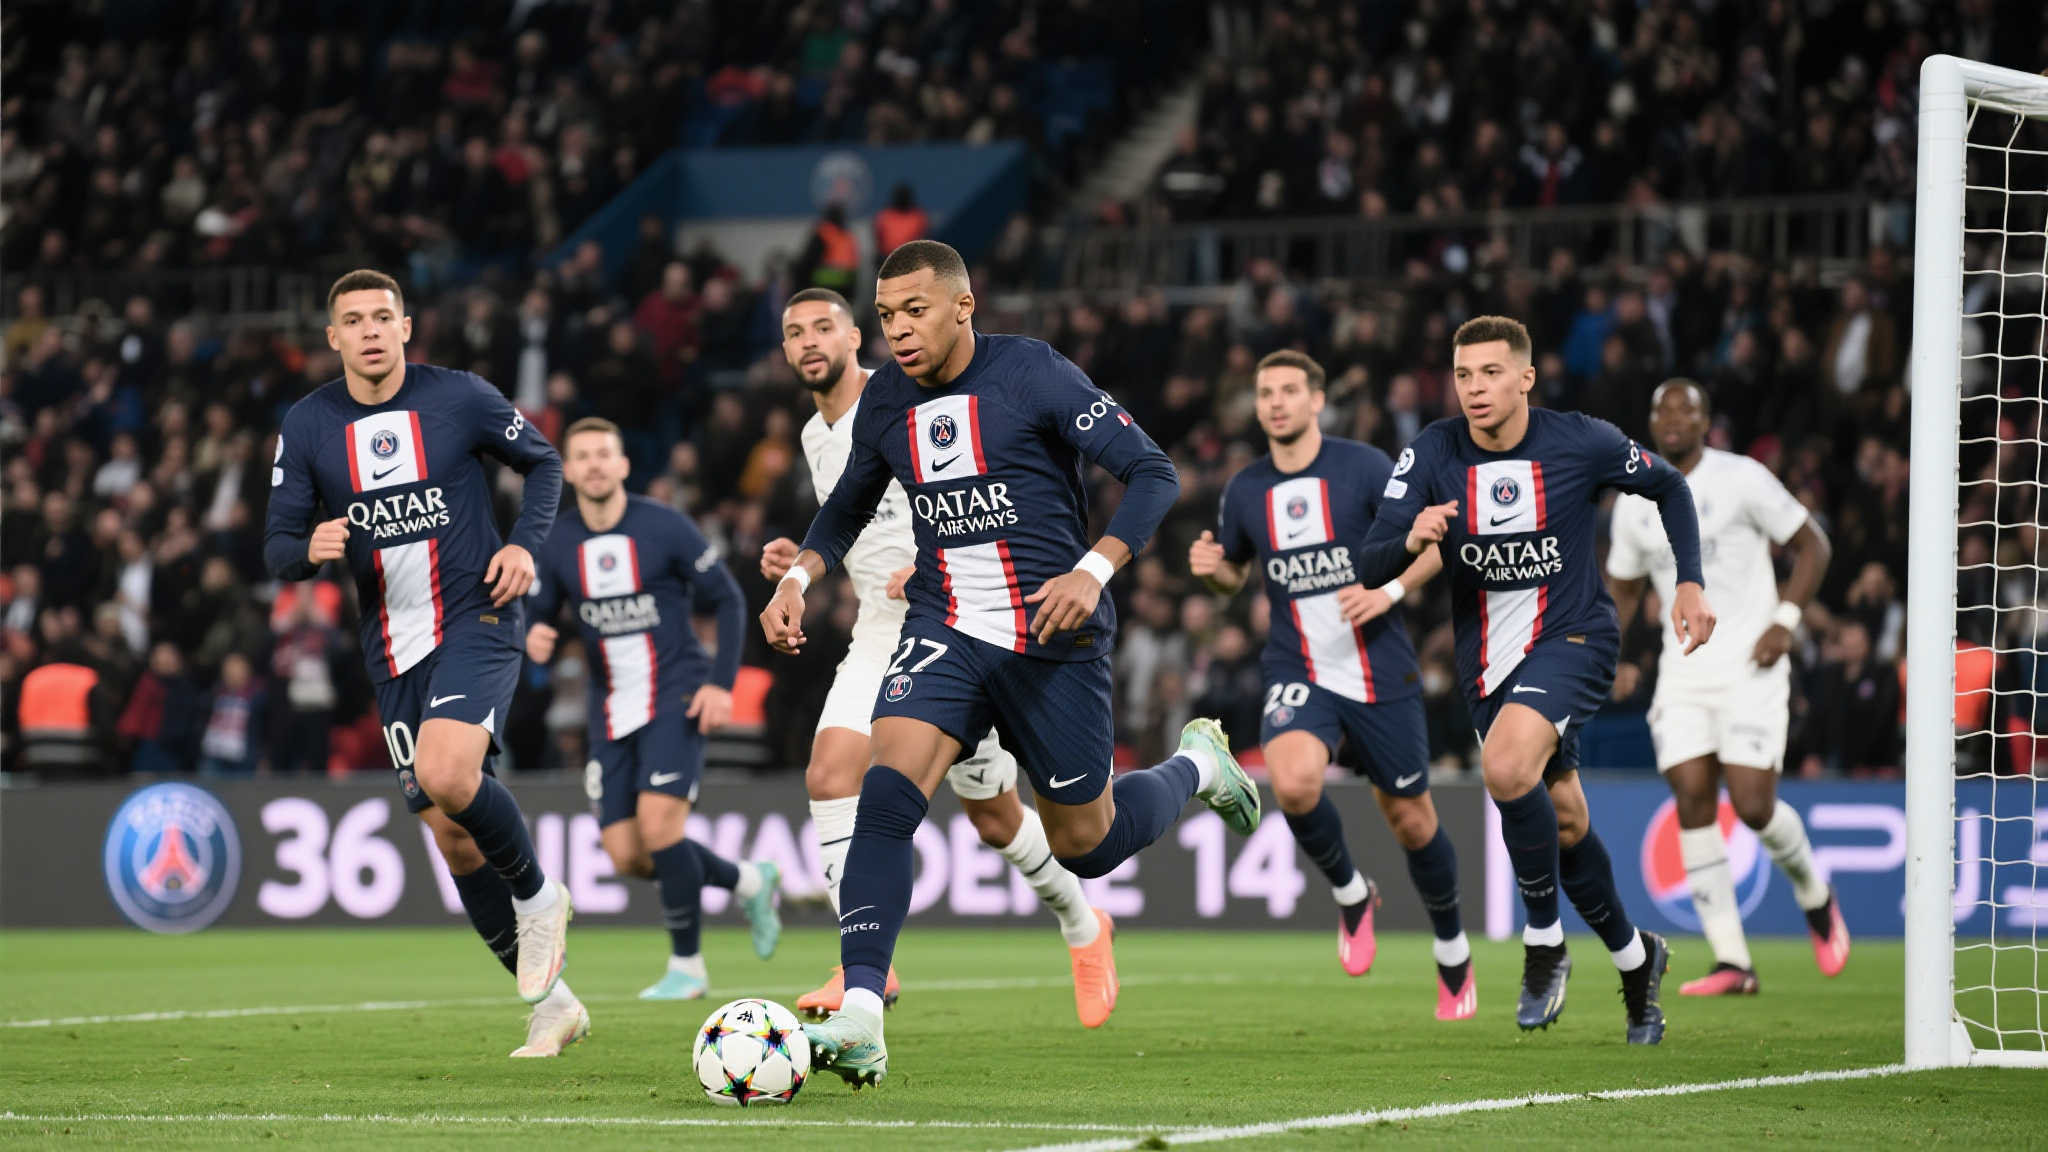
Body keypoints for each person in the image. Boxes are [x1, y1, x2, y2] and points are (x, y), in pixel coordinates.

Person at [760, 241, 1260, 1085]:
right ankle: (863, 1014)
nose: (898, 330)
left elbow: (1152, 473)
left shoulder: (1032, 372)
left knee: (1086, 845)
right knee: (885, 791)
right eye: (886, 317)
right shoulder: (885, 399)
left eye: (915, 311)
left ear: (964, 306)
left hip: (1052, 635)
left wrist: (1093, 568)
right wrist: (799, 579)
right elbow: (845, 508)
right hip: (946, 626)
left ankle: (1198, 766)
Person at [1350, 315, 1717, 1045]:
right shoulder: (1431, 452)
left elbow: (1670, 486)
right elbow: (1368, 562)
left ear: (1525, 378)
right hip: (1488, 662)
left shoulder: (1581, 440)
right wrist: (1410, 538)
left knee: (1506, 765)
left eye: (1491, 373)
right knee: (1566, 820)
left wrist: (1689, 582)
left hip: (1575, 635)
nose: (1475, 388)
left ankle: (1544, 940)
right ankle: (1636, 959)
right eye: (1463, 375)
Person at [764, 287, 1116, 1029]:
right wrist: (801, 565)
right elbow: (856, 518)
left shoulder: (906, 398)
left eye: (824, 327)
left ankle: (1083, 923)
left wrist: (932, 564)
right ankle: (864, 964)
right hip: (881, 632)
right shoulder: (815, 435)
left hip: (962, 619)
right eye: (795, 332)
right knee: (830, 772)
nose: (809, 341)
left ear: (854, 338)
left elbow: (973, 497)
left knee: (996, 819)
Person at [263, 269, 580, 1058]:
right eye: (353, 320)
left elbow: (544, 464)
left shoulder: (460, 397)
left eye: (383, 316)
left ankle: (540, 897)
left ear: (406, 327)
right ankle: (554, 1006)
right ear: (333, 337)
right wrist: (308, 549)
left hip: (477, 614)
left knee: (447, 772)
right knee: (453, 837)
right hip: (390, 646)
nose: (370, 330)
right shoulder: (308, 424)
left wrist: (523, 546)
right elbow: (277, 547)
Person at [1190, 349, 1474, 1021]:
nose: (1276, 402)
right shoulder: (1245, 489)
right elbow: (1234, 574)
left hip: (1379, 668)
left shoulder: (1366, 468)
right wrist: (1213, 571)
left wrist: (1389, 592)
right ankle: (1350, 892)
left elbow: (1433, 541)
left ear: (1318, 399)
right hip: (1298, 667)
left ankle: (1453, 948)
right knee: (1292, 784)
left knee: (1411, 819)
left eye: (1290, 390)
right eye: (1266, 392)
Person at [527, 417, 784, 1001]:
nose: (595, 464)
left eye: (604, 454)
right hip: (609, 710)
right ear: (569, 471)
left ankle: (688, 967)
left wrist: (720, 684)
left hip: (676, 695)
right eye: (582, 456)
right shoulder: (558, 541)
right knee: (630, 856)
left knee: (661, 827)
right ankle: (749, 880)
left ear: (623, 465)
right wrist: (535, 634)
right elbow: (539, 612)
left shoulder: (664, 526)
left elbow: (728, 599)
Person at [1608, 380, 1848, 995]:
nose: (1673, 419)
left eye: (1685, 409)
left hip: (1750, 667)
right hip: (1683, 672)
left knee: (1752, 806)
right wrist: (1613, 653)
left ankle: (1814, 893)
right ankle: (1733, 962)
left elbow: (1813, 545)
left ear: (1705, 421)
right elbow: (1625, 589)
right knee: (1691, 794)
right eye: (1662, 410)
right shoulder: (1634, 500)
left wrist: (1785, 621)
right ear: (1651, 422)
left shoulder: (1742, 477)